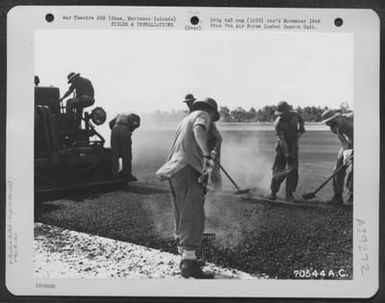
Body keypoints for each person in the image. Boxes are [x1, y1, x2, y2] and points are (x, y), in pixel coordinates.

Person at [156, 97, 220, 279]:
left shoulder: (185, 119)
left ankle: (185, 256)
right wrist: (207, 155)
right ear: (211, 111)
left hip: (175, 168)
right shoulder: (202, 115)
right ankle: (189, 265)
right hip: (188, 168)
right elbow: (199, 129)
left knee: (181, 212)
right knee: (193, 213)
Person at [183, 94, 222, 191]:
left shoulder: (206, 117)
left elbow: (218, 138)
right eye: (187, 102)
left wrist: (214, 150)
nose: (189, 104)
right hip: (201, 143)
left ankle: (217, 189)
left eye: (190, 102)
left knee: (213, 167)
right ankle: (202, 186)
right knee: (202, 166)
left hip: (212, 142)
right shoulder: (191, 114)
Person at [269, 101, 305, 202]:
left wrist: (301, 127)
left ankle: (289, 193)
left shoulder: (295, 115)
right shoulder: (278, 123)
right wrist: (286, 155)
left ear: (288, 111)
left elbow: (301, 120)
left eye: (284, 113)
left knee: (293, 170)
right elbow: (282, 140)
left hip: (293, 146)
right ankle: (273, 192)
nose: (282, 115)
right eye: (281, 114)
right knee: (279, 170)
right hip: (281, 147)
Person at [320, 109, 353, 204]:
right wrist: (347, 155)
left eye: (327, 122)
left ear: (333, 118)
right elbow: (344, 142)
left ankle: (352, 196)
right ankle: (337, 196)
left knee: (353, 170)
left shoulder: (349, 119)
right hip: (349, 143)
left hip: (361, 142)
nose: (326, 124)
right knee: (337, 168)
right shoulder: (333, 127)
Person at [109, 113, 140, 182]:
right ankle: (126, 174)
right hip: (124, 129)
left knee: (115, 153)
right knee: (127, 154)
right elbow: (135, 124)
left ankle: (115, 174)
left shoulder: (120, 115)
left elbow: (110, 123)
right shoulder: (134, 118)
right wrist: (128, 131)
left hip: (115, 128)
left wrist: (116, 131)